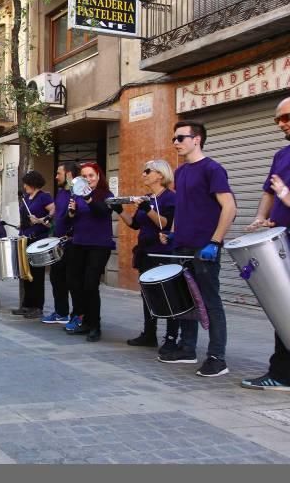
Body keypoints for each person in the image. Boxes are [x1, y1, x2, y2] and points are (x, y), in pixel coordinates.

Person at [158, 121, 236, 377]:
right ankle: (187, 349)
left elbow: (229, 207)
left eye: (181, 137)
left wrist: (215, 241)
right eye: (174, 138)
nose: (176, 142)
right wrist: (172, 233)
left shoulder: (213, 169)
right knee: (185, 301)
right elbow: (182, 207)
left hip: (204, 247)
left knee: (211, 302)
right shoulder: (180, 173)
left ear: (197, 139)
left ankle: (217, 357)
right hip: (181, 246)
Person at [240, 98, 290, 390]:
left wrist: (287, 196)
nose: (281, 123)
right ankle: (282, 372)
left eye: (286, 117)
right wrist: (262, 216)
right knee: (282, 309)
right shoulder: (281, 155)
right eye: (278, 120)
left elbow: (281, 193)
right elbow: (269, 191)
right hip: (282, 239)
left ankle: (282, 375)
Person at [114, 160, 180, 351]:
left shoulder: (170, 198)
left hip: (163, 252)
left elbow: (166, 224)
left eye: (147, 171)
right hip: (146, 252)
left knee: (167, 295)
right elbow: (135, 224)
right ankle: (149, 333)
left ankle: (171, 337)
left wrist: (147, 209)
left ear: (160, 175)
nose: (143, 174)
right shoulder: (147, 197)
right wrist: (119, 211)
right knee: (148, 295)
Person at [66, 162, 115, 342]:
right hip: (79, 243)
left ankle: (95, 325)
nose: (88, 179)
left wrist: (88, 197)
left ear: (98, 177)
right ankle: (84, 319)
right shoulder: (77, 195)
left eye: (91, 176)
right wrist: (71, 212)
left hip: (99, 245)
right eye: (84, 177)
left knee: (90, 284)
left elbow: (102, 212)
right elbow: (70, 219)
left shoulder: (106, 195)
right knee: (75, 283)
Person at [41, 162, 80, 325]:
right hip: (58, 242)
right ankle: (61, 312)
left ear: (69, 174)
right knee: (56, 278)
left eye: (59, 173)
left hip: (72, 242)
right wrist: (49, 220)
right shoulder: (61, 193)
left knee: (72, 281)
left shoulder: (76, 192)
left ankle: (77, 315)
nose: (56, 176)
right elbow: (58, 212)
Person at [13, 171, 54, 319]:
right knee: (26, 273)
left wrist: (40, 219)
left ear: (33, 183)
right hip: (25, 237)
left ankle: (37, 307)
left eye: (26, 183)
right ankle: (27, 305)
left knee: (37, 274)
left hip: (38, 238)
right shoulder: (25, 198)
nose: (24, 186)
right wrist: (22, 225)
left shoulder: (44, 196)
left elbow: (53, 213)